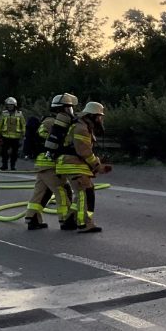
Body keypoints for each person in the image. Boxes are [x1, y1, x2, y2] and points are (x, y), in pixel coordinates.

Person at [24, 93, 78, 231]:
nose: (70, 112)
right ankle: (66, 220)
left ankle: (32, 219)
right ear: (62, 109)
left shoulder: (48, 121)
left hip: (42, 163)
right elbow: (58, 142)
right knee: (63, 191)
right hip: (50, 164)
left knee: (40, 193)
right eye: (69, 108)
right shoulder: (53, 123)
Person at [57, 101, 111, 234]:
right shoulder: (81, 128)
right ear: (91, 115)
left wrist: (97, 165)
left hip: (72, 164)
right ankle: (85, 224)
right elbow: (84, 151)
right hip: (72, 164)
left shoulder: (84, 125)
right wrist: (97, 166)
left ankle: (70, 220)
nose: (100, 119)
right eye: (99, 116)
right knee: (86, 193)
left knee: (81, 193)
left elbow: (84, 151)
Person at [0, 97, 26, 171]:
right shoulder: (4, 114)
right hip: (5, 136)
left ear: (15, 105)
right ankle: (4, 165)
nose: (10, 106)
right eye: (8, 105)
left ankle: (13, 166)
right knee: (4, 152)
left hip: (16, 136)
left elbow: (23, 125)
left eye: (11, 105)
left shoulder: (19, 114)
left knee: (14, 153)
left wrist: (24, 134)